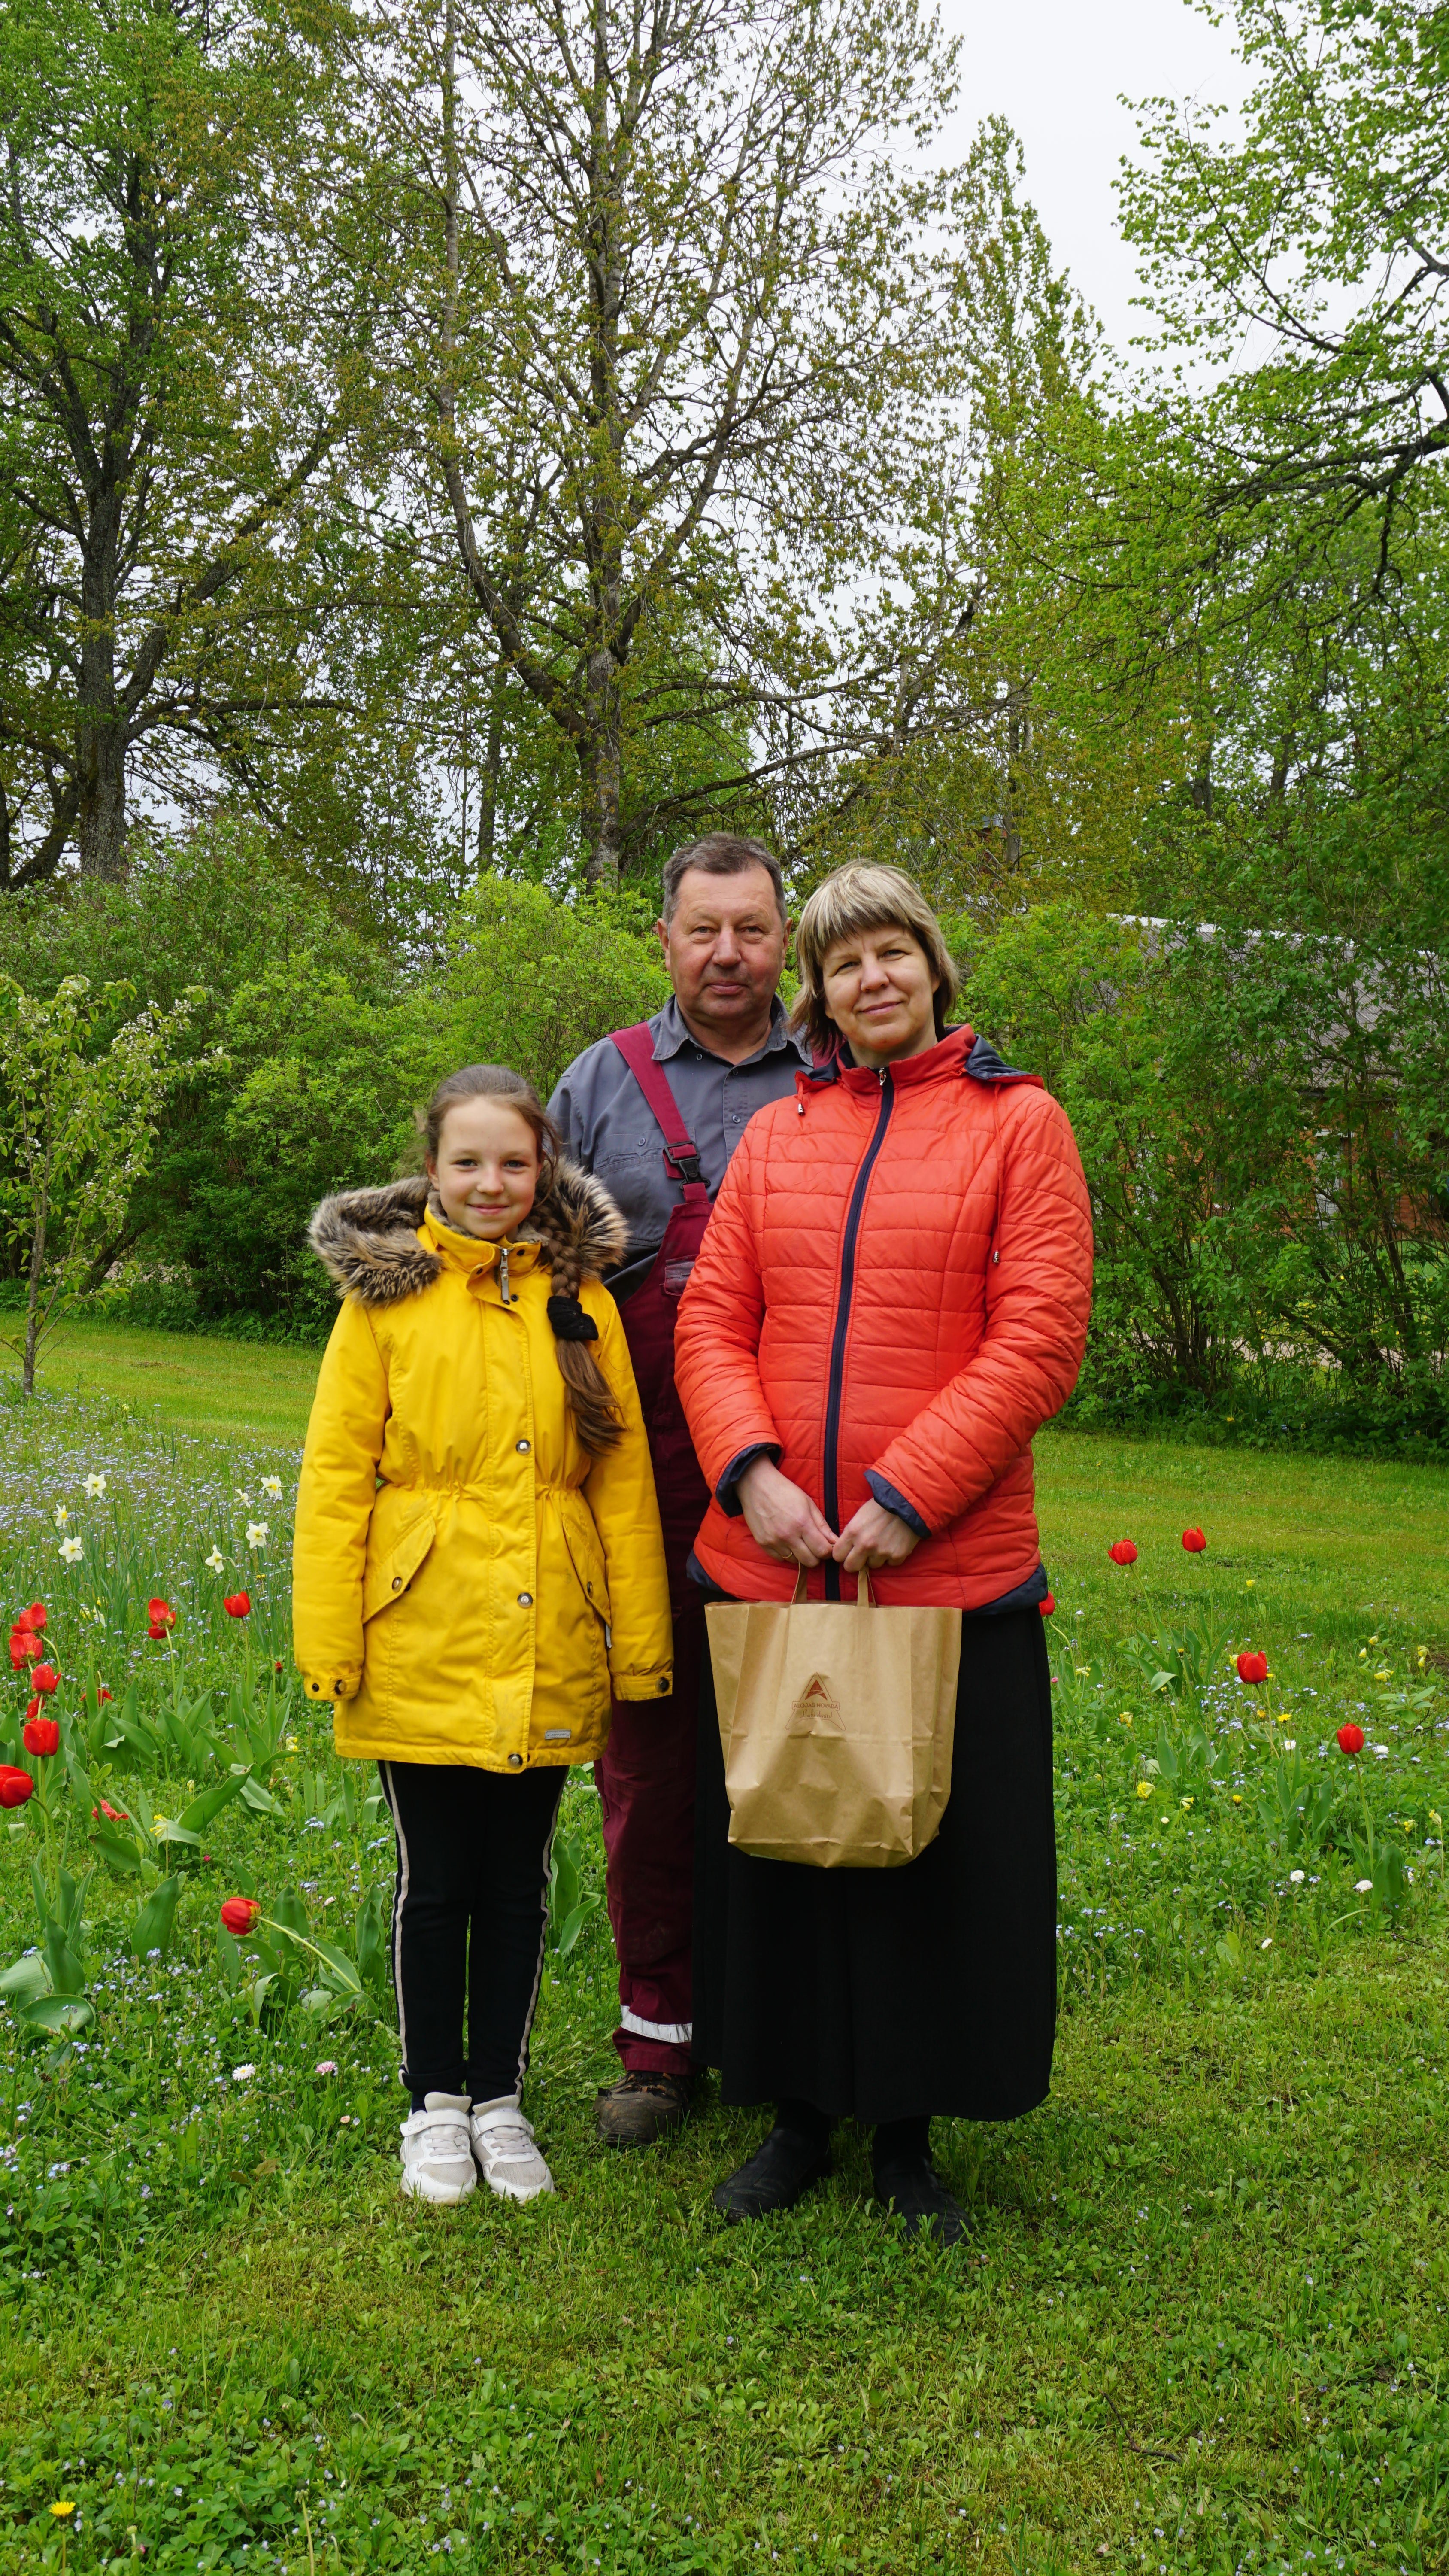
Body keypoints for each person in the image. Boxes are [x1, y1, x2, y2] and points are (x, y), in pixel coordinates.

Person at [673, 864, 1093, 2242]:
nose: (873, 979)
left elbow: (1038, 1335)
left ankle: (907, 2137)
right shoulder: (778, 1138)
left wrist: (913, 1492)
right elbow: (711, 1324)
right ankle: (795, 2116)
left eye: (894, 951)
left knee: (928, 1858)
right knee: (789, 1851)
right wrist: (751, 1478)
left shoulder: (1019, 1126)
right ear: (822, 992)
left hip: (946, 1569)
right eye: (844, 961)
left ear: (934, 964)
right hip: (783, 1558)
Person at [293, 1064, 672, 2207]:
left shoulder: (581, 1300)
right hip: (420, 1633)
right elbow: (335, 1479)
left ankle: (499, 2099)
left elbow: (623, 1486)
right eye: (468, 1162)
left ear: (543, 1168)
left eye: (515, 1162)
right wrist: (332, 1638)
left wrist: (638, 1641)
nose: (492, 1183)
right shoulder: (384, 1307)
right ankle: (433, 2103)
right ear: (433, 1171)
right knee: (437, 1881)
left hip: (549, 1630)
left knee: (518, 1883)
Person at [548, 832, 811, 2148]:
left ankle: (791, 2032)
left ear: (785, 938)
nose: (727, 955)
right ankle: (661, 2043)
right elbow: (523, 1279)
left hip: (792, 1481)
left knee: (791, 1744)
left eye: (752, 930)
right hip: (633, 1485)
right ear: (663, 939)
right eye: (703, 930)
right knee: (649, 1765)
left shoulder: (838, 1071)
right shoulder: (600, 1081)